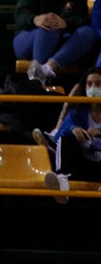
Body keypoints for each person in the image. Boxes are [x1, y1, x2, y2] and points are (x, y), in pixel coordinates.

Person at [46, 67, 101, 205]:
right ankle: (62, 184)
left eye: (98, 84)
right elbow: (58, 136)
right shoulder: (76, 112)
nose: (93, 88)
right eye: (89, 84)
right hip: (82, 162)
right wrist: (73, 128)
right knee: (65, 139)